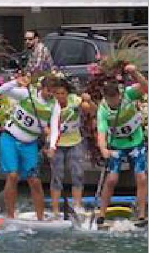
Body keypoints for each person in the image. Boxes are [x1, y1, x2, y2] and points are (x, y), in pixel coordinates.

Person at [0, 73, 61, 220]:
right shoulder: (27, 94)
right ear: (42, 88)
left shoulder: (54, 106)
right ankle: (10, 216)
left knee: (35, 181)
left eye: (53, 91)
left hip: (29, 144)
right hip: (10, 138)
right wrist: (15, 82)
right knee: (13, 176)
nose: (50, 94)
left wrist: (52, 147)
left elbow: (55, 128)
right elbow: (2, 90)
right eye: (48, 91)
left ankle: (40, 219)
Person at [95, 65, 148, 224]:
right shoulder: (103, 110)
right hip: (116, 146)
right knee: (111, 179)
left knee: (141, 177)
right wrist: (103, 148)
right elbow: (102, 132)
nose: (114, 102)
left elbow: (145, 87)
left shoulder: (128, 94)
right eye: (111, 100)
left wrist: (134, 72)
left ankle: (141, 214)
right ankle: (101, 214)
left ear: (119, 95)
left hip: (135, 142)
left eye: (116, 99)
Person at [45, 78, 95, 217]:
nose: (60, 96)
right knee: (57, 176)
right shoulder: (50, 106)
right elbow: (45, 126)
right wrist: (49, 143)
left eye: (62, 93)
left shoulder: (74, 100)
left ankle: (77, 206)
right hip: (57, 145)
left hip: (75, 142)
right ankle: (55, 210)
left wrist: (88, 102)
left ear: (67, 93)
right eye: (57, 94)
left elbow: (92, 110)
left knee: (77, 174)